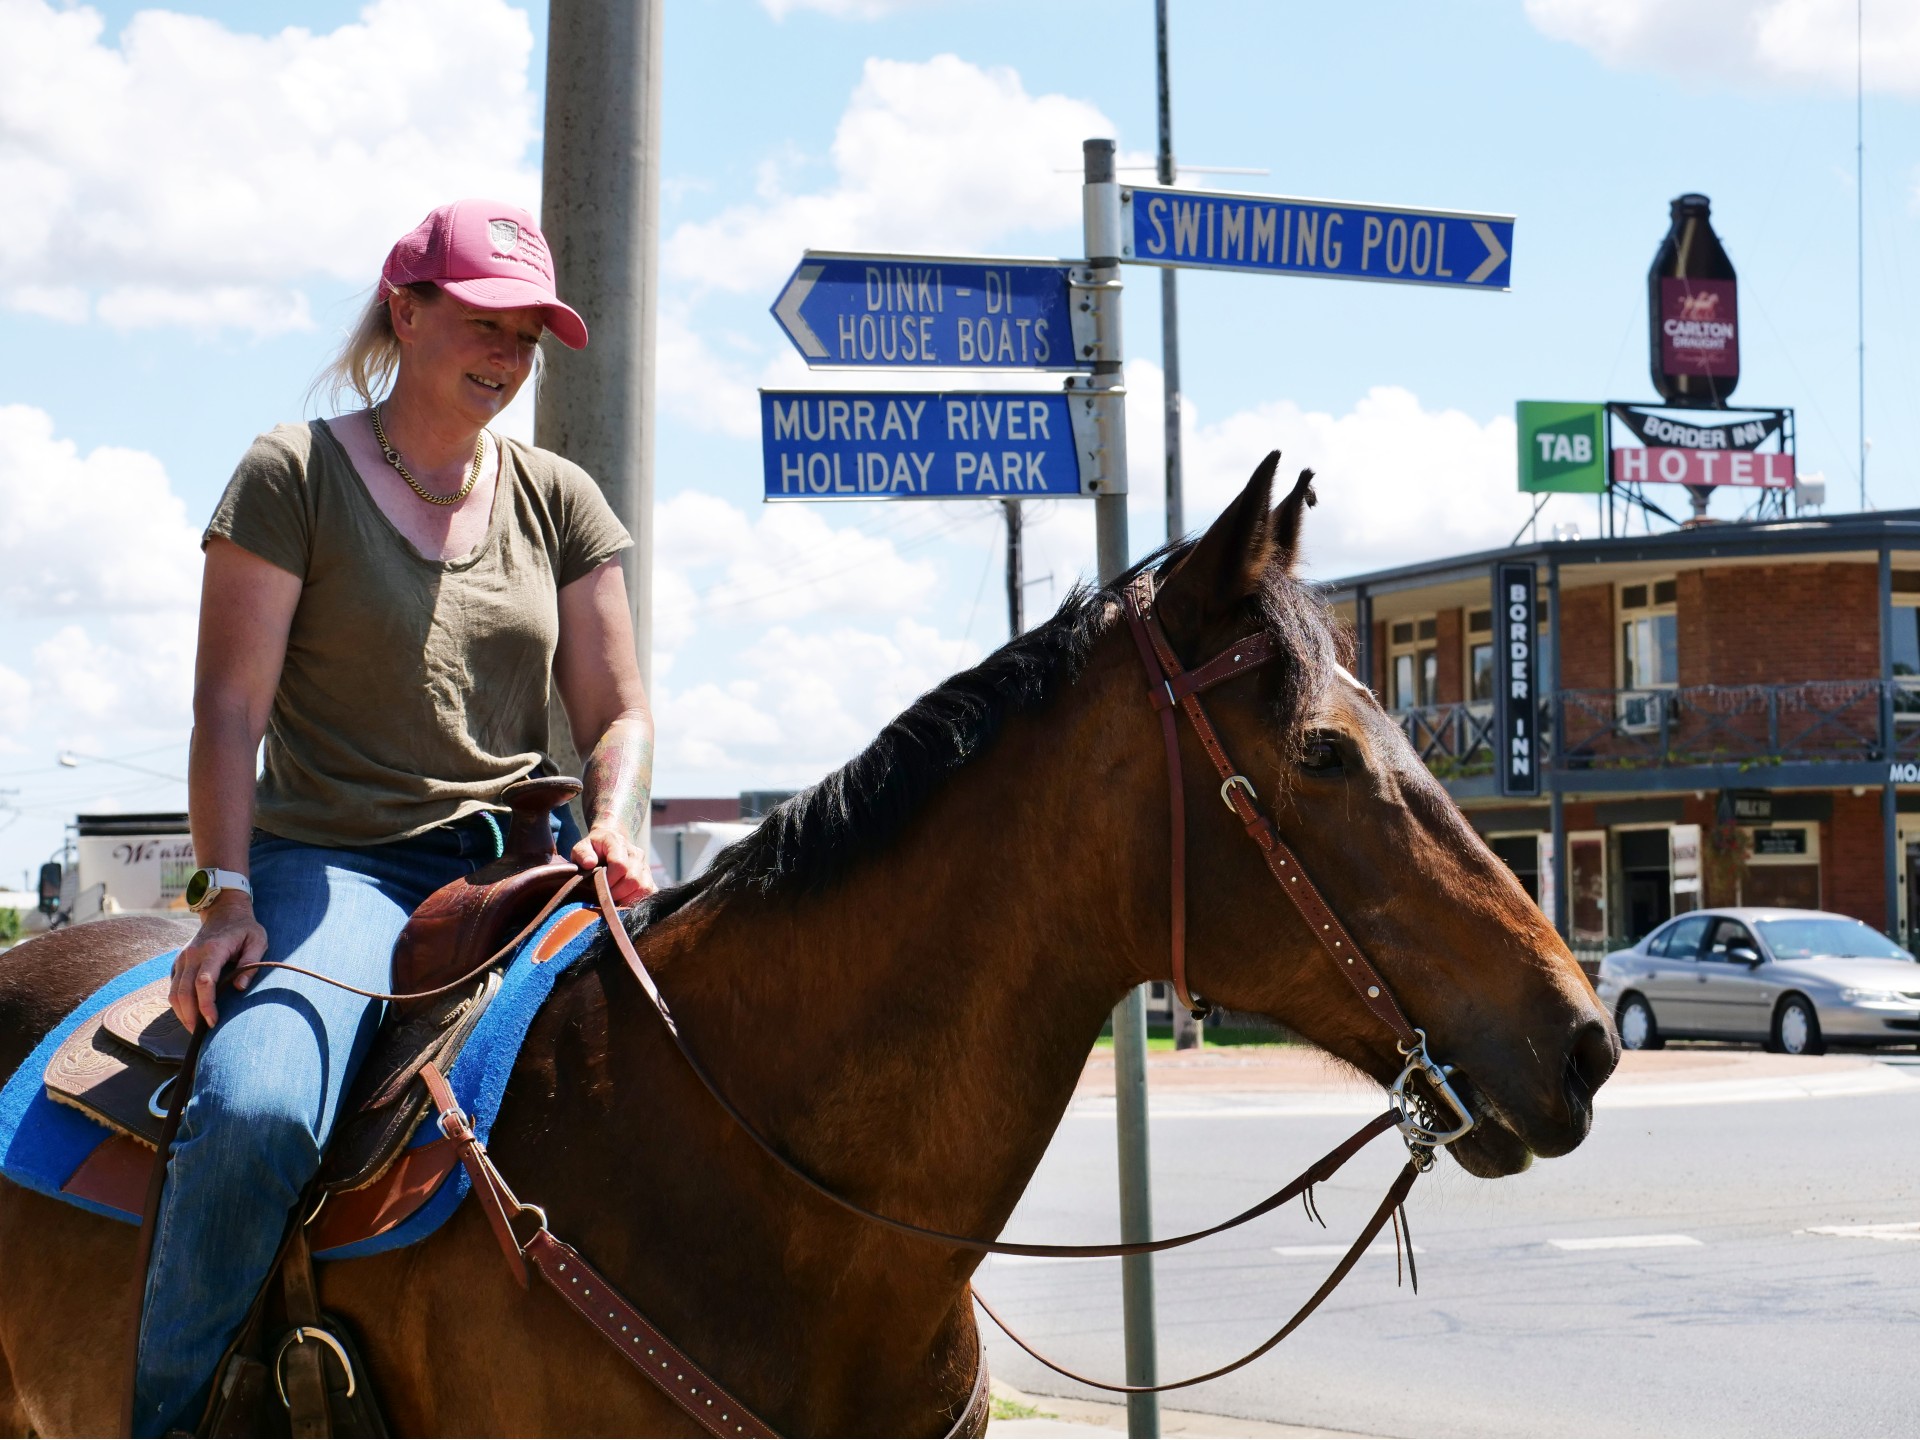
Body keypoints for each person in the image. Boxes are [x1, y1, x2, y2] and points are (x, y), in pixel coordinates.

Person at [134, 199, 657, 1436]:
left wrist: (618, 825)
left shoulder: (562, 498)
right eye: (484, 322)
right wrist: (225, 900)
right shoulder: (292, 472)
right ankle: (167, 1414)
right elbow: (226, 713)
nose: (509, 356)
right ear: (405, 310)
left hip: (527, 873)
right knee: (260, 1110)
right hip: (341, 873)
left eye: (529, 334)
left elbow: (621, 715)